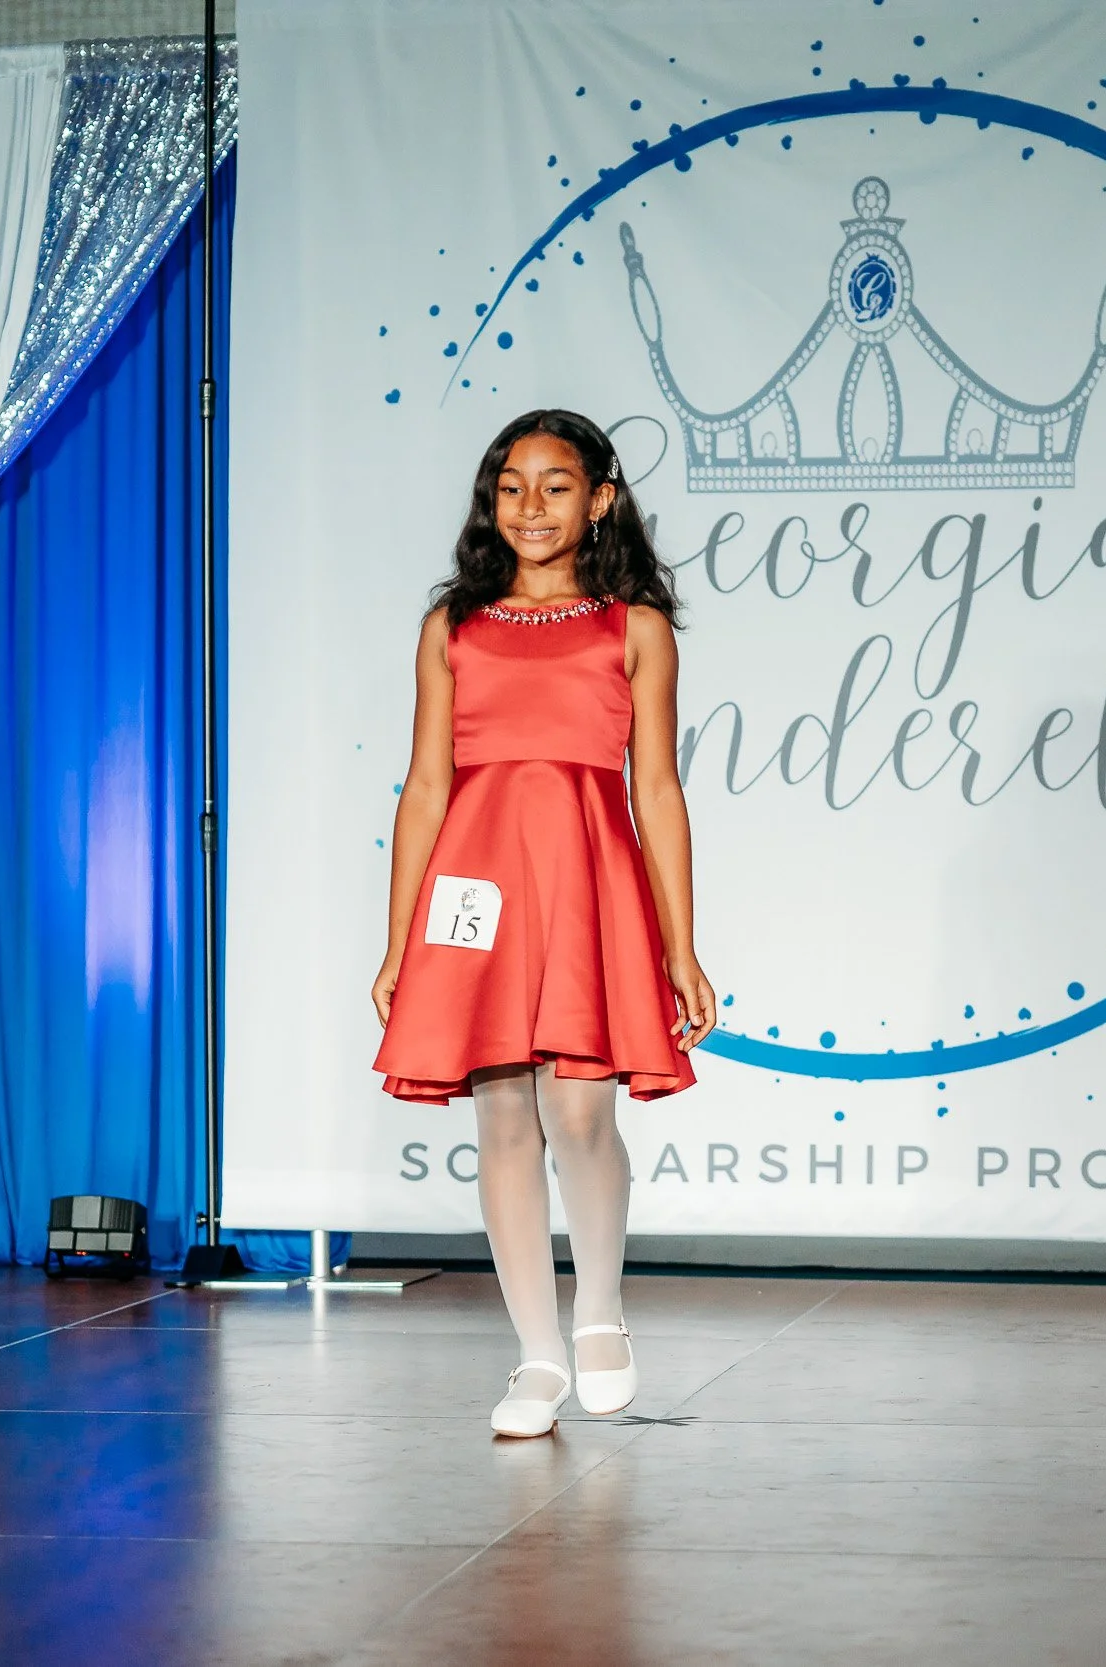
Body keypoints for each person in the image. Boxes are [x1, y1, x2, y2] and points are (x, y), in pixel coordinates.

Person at [373, 409, 716, 1438]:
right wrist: (398, 944)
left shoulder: (634, 627)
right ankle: (535, 1354)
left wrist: (679, 943)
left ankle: (599, 1308)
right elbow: (426, 783)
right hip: (474, 887)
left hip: (586, 879)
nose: (530, 505)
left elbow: (655, 788)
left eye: (556, 485)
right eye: (511, 485)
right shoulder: (452, 626)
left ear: (600, 498)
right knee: (502, 1118)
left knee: (579, 1111)